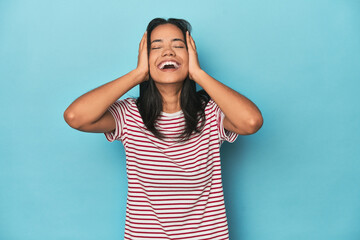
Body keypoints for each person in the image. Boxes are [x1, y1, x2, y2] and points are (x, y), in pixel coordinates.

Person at [64, 17, 263, 240]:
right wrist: (137, 74)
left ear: (192, 56)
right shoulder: (129, 114)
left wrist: (198, 74)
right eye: (156, 47)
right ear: (144, 58)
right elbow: (76, 117)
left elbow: (251, 122)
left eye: (178, 46)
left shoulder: (212, 112)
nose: (168, 52)